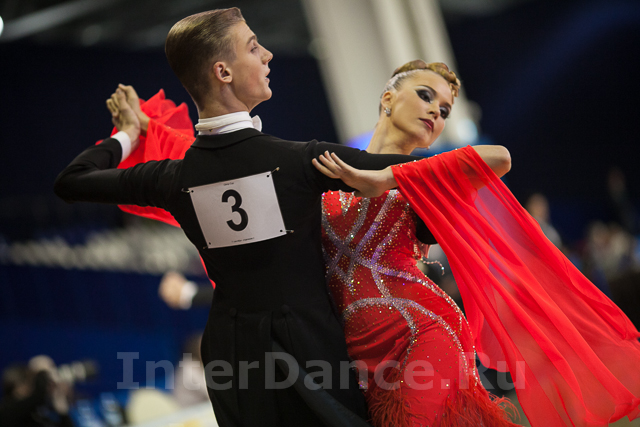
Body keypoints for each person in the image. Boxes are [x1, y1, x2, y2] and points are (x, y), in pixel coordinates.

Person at [54, 8, 440, 427]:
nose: (268, 55)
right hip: (311, 357)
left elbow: (72, 181)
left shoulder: (174, 178)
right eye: (254, 48)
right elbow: (438, 176)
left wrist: (128, 133)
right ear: (223, 72)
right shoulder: (300, 162)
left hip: (232, 362)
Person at [103, 60, 515, 425]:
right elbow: (228, 170)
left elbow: (499, 158)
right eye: (425, 95)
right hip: (354, 352)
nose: (435, 111)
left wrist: (386, 177)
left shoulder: (428, 176)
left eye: (444, 110)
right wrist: (146, 130)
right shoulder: (323, 169)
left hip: (421, 331)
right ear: (388, 98)